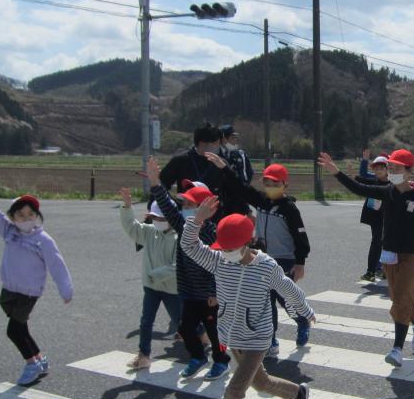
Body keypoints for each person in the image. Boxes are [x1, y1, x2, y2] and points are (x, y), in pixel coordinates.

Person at [181, 197, 314, 399]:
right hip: (231, 335)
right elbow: (188, 246)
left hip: (257, 339)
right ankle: (297, 393)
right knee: (262, 384)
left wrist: (304, 311)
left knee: (233, 393)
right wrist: (197, 220)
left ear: (247, 243)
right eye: (222, 248)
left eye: (230, 248)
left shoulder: (266, 267)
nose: (225, 252)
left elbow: (287, 288)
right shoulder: (219, 261)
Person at [318, 149, 414, 367]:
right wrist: (336, 172)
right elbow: (359, 188)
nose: (392, 171)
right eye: (390, 168)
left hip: (411, 255)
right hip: (390, 253)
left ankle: (397, 349)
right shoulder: (387, 191)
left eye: (397, 168)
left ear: (409, 171)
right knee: (402, 297)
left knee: (401, 299)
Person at [0, 172, 73, 386]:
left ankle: (31, 363)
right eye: (21, 215)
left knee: (13, 330)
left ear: (37, 216)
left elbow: (57, 265)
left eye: (30, 214)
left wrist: (66, 290)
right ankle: (40, 359)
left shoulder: (43, 240)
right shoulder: (9, 231)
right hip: (9, 288)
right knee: (20, 325)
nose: (26, 219)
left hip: (29, 291)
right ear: (13, 218)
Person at [205, 153, 311, 356]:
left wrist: (300, 263)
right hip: (261, 258)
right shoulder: (261, 201)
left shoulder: (290, 209)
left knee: (284, 297)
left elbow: (301, 238)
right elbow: (240, 188)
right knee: (264, 300)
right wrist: (224, 168)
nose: (270, 186)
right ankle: (270, 340)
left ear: (285, 185)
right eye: (267, 182)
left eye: (275, 183)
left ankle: (301, 320)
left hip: (284, 260)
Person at [147, 157, 232, 382]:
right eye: (184, 204)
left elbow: (220, 265)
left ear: (207, 208)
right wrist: (156, 183)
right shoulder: (185, 227)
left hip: (210, 295)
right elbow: (167, 207)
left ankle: (221, 362)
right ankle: (197, 357)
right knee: (185, 329)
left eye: (189, 205)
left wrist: (215, 291)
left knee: (215, 333)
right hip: (189, 291)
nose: (183, 209)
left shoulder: (212, 232)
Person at [118, 189, 180, 370]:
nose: (157, 221)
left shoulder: (179, 237)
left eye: (161, 218)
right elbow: (131, 227)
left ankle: (202, 334)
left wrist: (155, 274)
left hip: (172, 289)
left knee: (182, 322)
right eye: (155, 218)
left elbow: (178, 267)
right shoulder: (149, 232)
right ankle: (143, 355)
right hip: (151, 288)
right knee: (146, 321)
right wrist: (127, 207)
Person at [159, 122, 225, 199]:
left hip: (214, 209)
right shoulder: (180, 161)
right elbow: (162, 185)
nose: (218, 147)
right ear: (202, 143)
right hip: (186, 208)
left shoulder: (221, 163)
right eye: (215, 143)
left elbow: (234, 189)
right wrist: (175, 205)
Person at [357, 150, 389, 283]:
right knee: (378, 242)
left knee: (381, 243)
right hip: (374, 216)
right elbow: (362, 176)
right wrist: (364, 160)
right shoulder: (373, 180)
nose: (379, 170)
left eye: (382, 168)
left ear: (388, 169)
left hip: (387, 217)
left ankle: (377, 270)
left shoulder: (392, 183)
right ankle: (376, 269)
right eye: (376, 168)